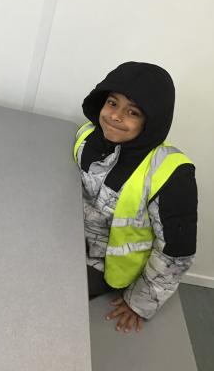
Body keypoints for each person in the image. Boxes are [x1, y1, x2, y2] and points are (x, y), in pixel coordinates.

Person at [74, 61, 197, 333]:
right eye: (112, 103)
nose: (115, 116)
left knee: (48, 294)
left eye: (133, 112)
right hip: (68, 240)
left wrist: (140, 302)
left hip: (105, 267)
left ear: (151, 120)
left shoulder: (170, 174)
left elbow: (176, 253)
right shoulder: (86, 138)